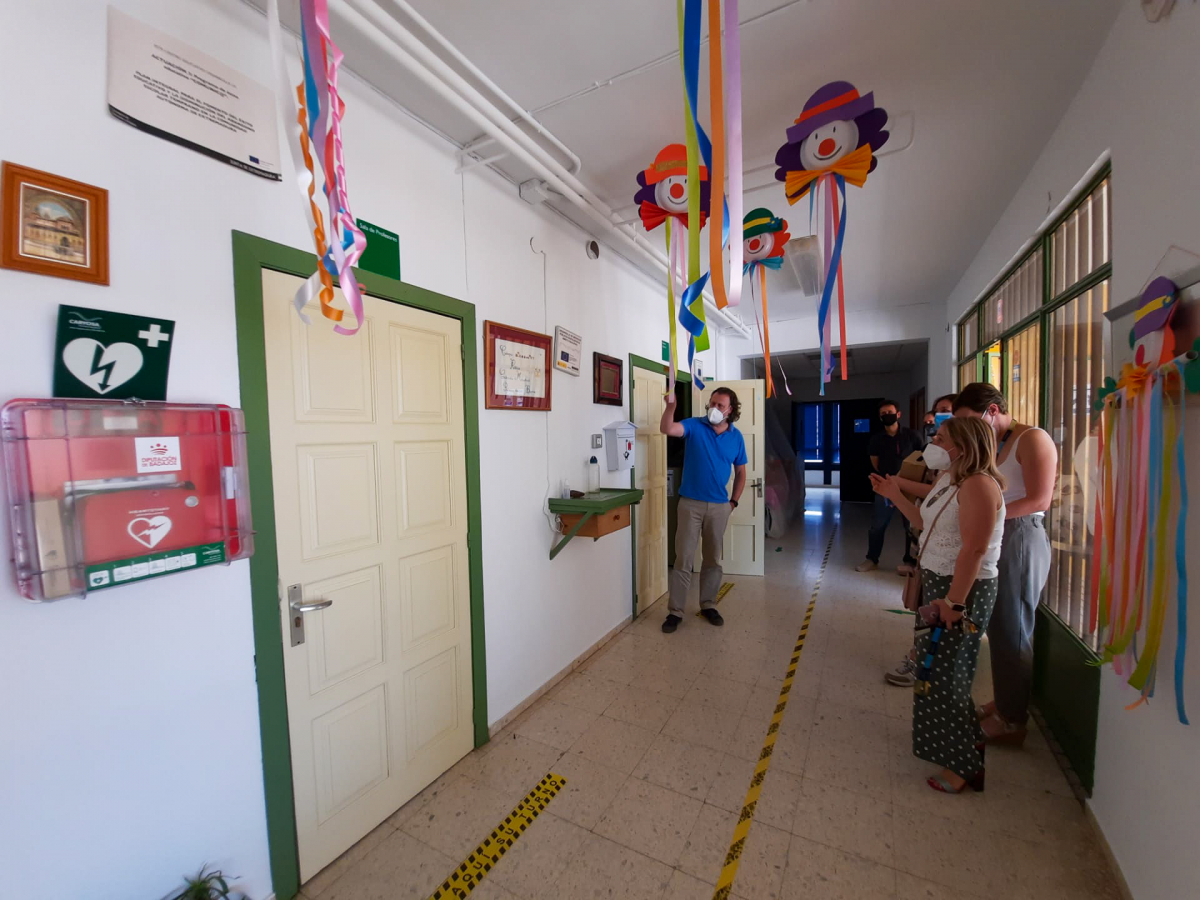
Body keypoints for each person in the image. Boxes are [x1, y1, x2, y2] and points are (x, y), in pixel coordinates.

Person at [872, 417, 1006, 793]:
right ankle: (955, 746)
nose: (933, 441)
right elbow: (923, 523)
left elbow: (975, 549)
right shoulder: (951, 480)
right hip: (940, 584)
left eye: (941, 438)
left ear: (961, 447)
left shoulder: (979, 485)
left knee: (949, 678)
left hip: (961, 591)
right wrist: (895, 494)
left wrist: (954, 602)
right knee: (934, 674)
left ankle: (964, 766)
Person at [953, 383, 1056, 745]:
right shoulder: (995, 443)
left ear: (993, 411)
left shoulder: (1033, 439)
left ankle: (1012, 720)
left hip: (1020, 536)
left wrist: (990, 516)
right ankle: (1005, 702)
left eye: (972, 421)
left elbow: (1039, 498)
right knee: (998, 626)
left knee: (1013, 628)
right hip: (999, 533)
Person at [659, 387, 747, 634]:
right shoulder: (695, 426)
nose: (713, 409)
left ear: (730, 410)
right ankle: (675, 611)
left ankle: (708, 605)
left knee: (712, 560)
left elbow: (741, 472)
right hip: (690, 505)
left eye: (720, 405)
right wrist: (670, 407)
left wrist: (733, 503)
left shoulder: (736, 437)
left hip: (720, 507)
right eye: (712, 404)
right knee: (683, 559)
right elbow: (668, 429)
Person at [856, 399, 923, 573]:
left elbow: (921, 460)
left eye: (890, 412)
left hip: (909, 488)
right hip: (885, 486)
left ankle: (910, 561)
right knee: (878, 525)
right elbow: (875, 463)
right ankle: (872, 558)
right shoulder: (877, 439)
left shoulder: (912, 436)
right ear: (880, 417)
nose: (887, 416)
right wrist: (890, 480)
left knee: (911, 525)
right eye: (883, 414)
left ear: (898, 414)